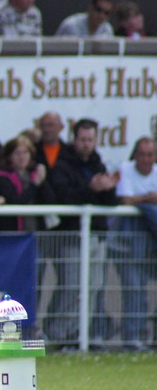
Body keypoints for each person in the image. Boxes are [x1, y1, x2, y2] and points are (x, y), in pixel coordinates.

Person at [45, 118, 119, 345]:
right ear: (74, 140)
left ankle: (79, 335)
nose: (86, 144)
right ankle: (56, 334)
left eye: (90, 139)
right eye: (82, 139)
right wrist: (90, 189)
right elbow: (63, 197)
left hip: (96, 235)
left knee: (93, 287)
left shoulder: (98, 165)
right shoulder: (62, 166)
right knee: (72, 286)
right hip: (73, 236)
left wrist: (107, 190)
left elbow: (108, 203)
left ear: (96, 140)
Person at [110, 137, 157, 349]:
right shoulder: (126, 169)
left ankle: (143, 336)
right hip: (127, 243)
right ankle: (132, 338)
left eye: (150, 154)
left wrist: (142, 199)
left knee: (142, 290)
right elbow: (126, 199)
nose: (146, 159)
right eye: (142, 154)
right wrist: (149, 198)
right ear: (135, 155)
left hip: (149, 245)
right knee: (134, 287)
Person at [0, 134, 55, 232]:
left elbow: (50, 200)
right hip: (14, 232)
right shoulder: (2, 177)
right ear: (9, 156)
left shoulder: (34, 174)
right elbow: (17, 202)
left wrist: (43, 181)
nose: (22, 157)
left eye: (25, 153)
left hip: (36, 230)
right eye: (17, 153)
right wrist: (34, 185)